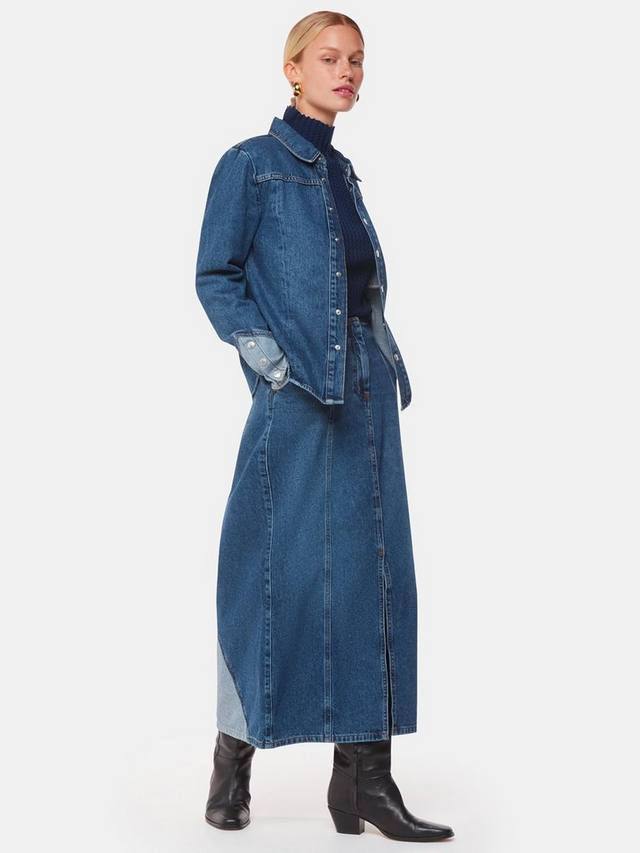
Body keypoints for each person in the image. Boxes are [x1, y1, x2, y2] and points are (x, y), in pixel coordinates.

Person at [195, 10, 454, 842]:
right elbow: (216, 276)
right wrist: (274, 366)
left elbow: (360, 294)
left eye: (358, 61)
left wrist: (384, 367)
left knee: (376, 581)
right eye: (330, 58)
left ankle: (365, 781)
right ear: (293, 69)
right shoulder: (252, 164)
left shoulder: (343, 173)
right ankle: (233, 758)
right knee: (273, 577)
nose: (347, 72)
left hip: (367, 403)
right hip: (298, 402)